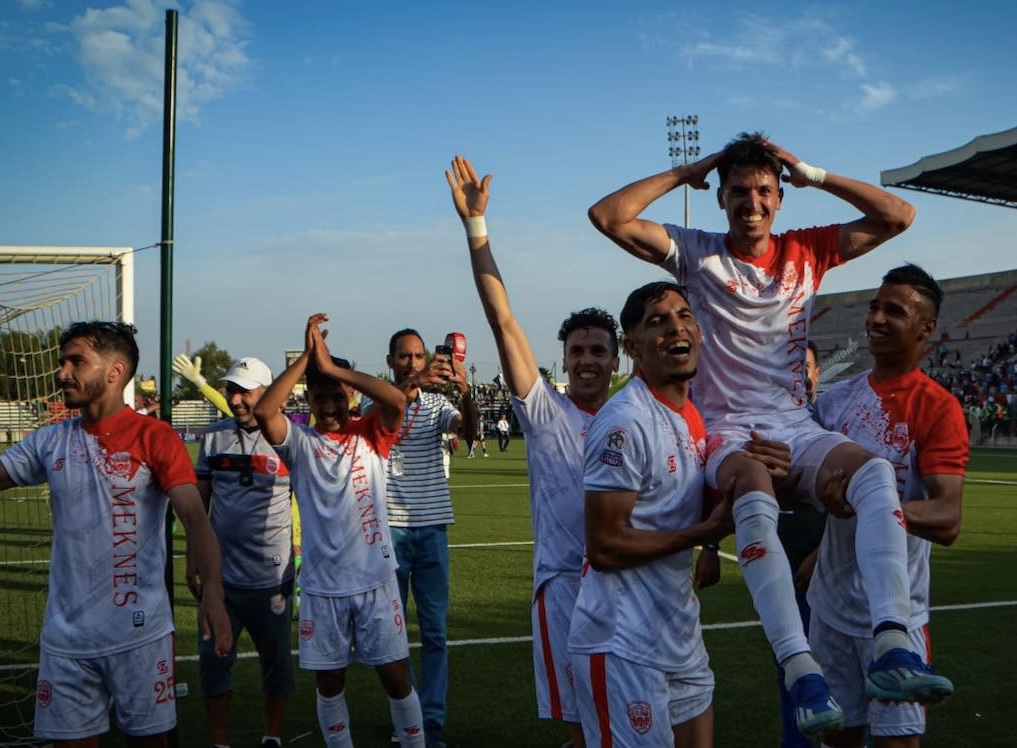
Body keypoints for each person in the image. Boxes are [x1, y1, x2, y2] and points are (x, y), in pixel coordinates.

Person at [588, 132, 951, 737]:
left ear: (780, 197)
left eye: (763, 190)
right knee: (753, 489)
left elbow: (898, 215)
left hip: (795, 423)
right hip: (727, 431)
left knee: (874, 474)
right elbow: (609, 216)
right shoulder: (697, 253)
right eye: (738, 191)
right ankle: (800, 668)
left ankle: (893, 642)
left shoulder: (806, 250)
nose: (751, 202)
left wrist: (812, 172)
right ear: (721, 198)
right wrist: (692, 169)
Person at [446, 154, 622, 746]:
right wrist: (476, 228)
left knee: (636, 717)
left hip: (629, 581)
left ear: (616, 359)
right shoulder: (545, 411)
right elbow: (502, 319)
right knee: (583, 730)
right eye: (577, 351)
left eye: (598, 351)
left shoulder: (635, 418)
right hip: (566, 586)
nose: (587, 360)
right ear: (564, 360)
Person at [0, 321, 231, 747]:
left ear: (115, 371)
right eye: (62, 362)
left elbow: (195, 518)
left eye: (76, 362)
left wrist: (213, 593)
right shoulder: (50, 441)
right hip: (66, 639)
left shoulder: (154, 436)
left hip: (139, 635)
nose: (62, 373)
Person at [809, 265, 969, 748]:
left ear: (925, 328)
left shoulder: (937, 408)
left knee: (896, 742)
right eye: (874, 307)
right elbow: (808, 486)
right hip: (831, 605)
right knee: (837, 737)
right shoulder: (835, 401)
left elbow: (947, 518)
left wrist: (872, 506)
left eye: (894, 311)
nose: (876, 318)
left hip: (897, 612)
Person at [567, 281, 729, 747]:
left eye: (684, 315)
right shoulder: (624, 422)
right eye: (657, 322)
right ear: (632, 347)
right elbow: (604, 548)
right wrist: (705, 532)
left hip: (678, 630)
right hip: (621, 641)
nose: (676, 328)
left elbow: (685, 502)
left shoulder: (690, 414)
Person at [253, 314, 425, 748]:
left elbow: (395, 400)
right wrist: (308, 359)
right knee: (330, 683)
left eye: (336, 396)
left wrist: (331, 368)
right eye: (319, 397)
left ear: (351, 394)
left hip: (375, 582)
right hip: (322, 588)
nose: (329, 406)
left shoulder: (370, 433)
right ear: (308, 398)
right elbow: (264, 411)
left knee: (396, 676)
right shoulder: (299, 442)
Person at [383, 328, 478, 748]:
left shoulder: (438, 404)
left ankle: (432, 720)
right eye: (404, 357)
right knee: (392, 633)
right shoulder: (377, 400)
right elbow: (384, 418)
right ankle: (406, 717)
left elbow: (468, 431)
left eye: (419, 356)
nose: (413, 363)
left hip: (432, 527)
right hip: (390, 528)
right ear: (390, 361)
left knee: (435, 632)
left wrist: (467, 394)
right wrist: (412, 385)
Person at [194, 357, 295, 748]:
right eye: (231, 390)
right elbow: (200, 505)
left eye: (244, 391)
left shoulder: (288, 438)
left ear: (268, 394)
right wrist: (194, 560)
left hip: (272, 578)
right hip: (221, 580)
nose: (235, 399)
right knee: (213, 663)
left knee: (277, 664)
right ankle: (220, 742)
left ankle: (273, 736)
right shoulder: (213, 437)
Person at [774, 341, 827, 748]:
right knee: (789, 667)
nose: (800, 375)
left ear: (816, 373)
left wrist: (820, 556)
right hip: (781, 569)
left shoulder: (830, 421)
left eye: (805, 367)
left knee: (834, 668)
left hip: (826, 571)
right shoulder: (770, 421)